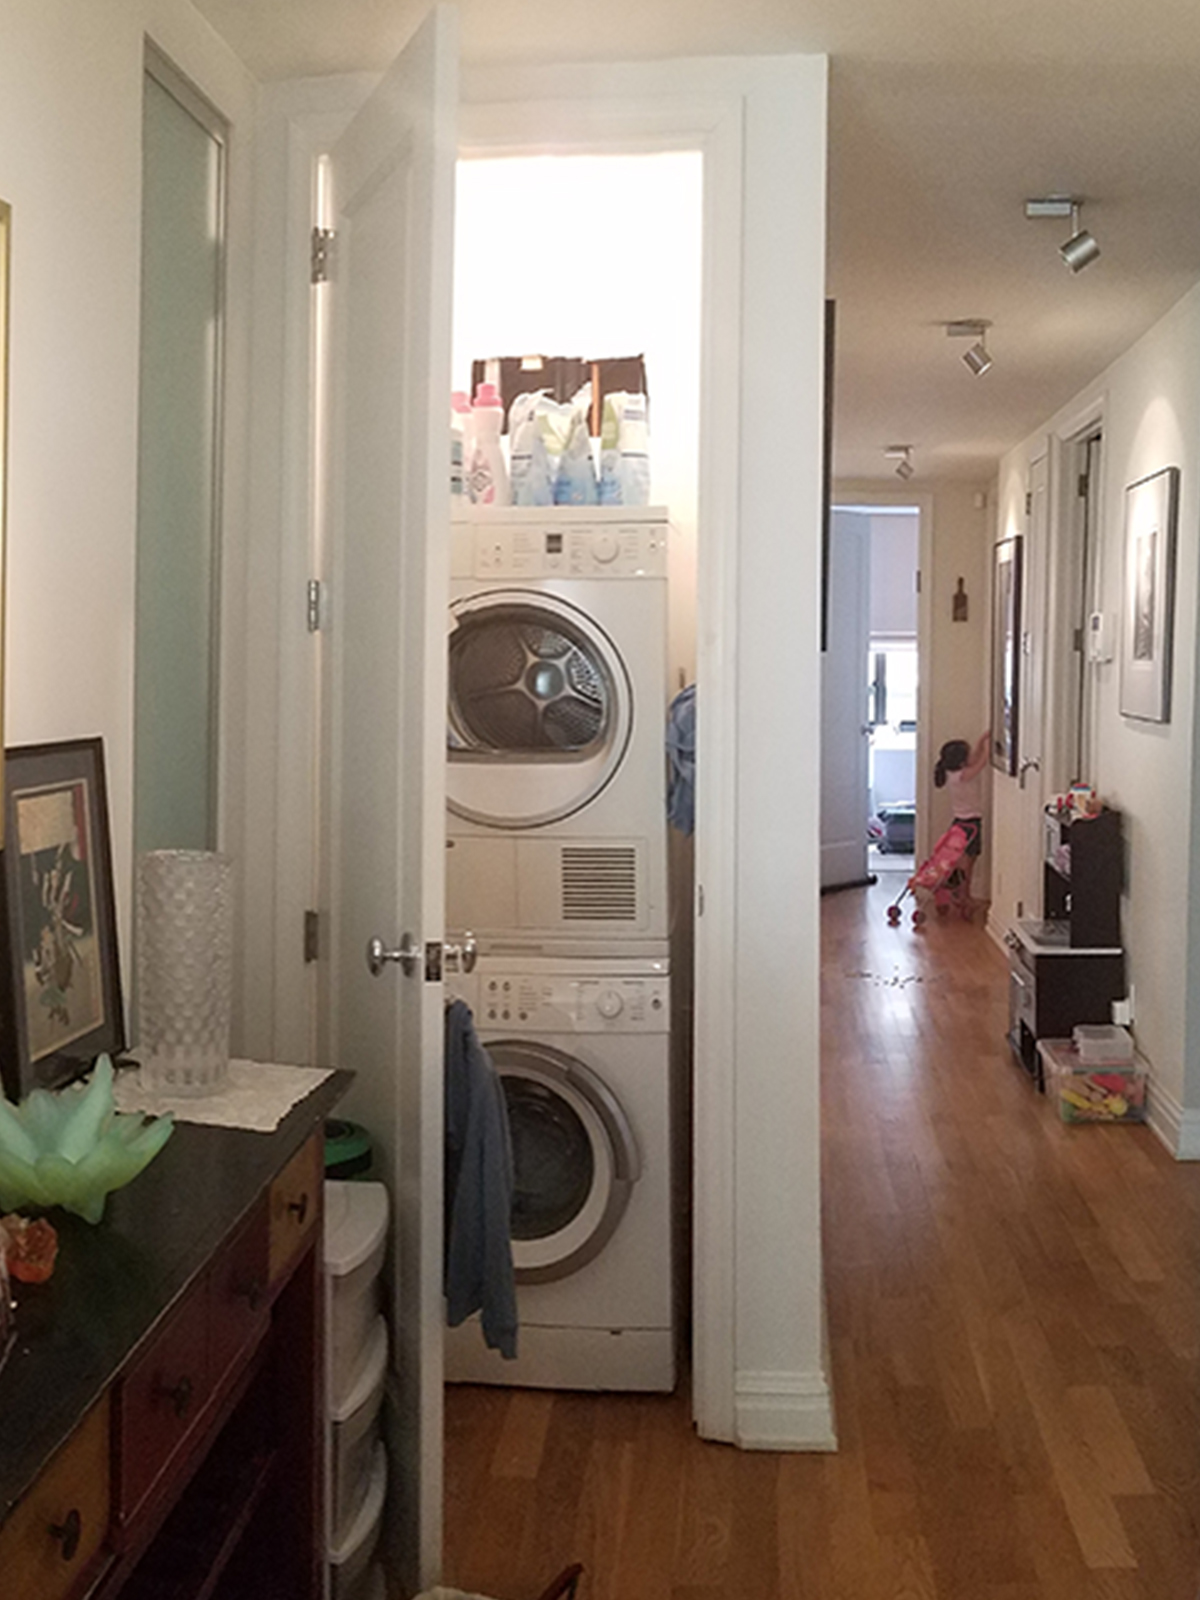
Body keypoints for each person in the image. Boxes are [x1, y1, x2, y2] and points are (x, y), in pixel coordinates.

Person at [934, 730, 990, 904]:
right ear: (960, 761)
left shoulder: (953, 774)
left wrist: (982, 738)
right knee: (968, 863)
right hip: (970, 823)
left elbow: (974, 757)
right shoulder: (963, 776)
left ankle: (958, 890)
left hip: (959, 822)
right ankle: (963, 894)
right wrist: (989, 746)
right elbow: (982, 761)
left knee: (963, 861)